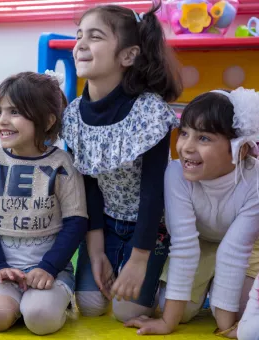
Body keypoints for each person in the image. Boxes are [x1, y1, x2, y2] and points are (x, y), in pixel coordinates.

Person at [61, 3, 183, 322]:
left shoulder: (149, 111)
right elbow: (87, 182)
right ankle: (116, 262)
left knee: (126, 311)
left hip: (150, 227)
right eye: (79, 36)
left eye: (95, 36)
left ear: (128, 56)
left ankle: (166, 278)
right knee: (89, 305)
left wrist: (139, 259)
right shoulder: (73, 115)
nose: (81, 44)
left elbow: (153, 190)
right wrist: (96, 249)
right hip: (105, 224)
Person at [126, 88, 259, 337]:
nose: (186, 147)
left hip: (250, 244)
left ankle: (217, 294)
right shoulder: (175, 174)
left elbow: (236, 249)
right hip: (201, 239)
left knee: (239, 313)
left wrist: (227, 323)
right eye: (184, 133)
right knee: (175, 310)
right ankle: (209, 288)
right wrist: (168, 322)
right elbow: (184, 245)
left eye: (204, 138)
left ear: (239, 149)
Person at [0, 71, 88, 335]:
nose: (2, 121)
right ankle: (10, 303)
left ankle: (43, 303)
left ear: (47, 120)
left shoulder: (62, 164)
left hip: (50, 270)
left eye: (14, 112)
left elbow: (76, 222)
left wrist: (49, 267)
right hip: (3, 268)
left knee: (40, 319)